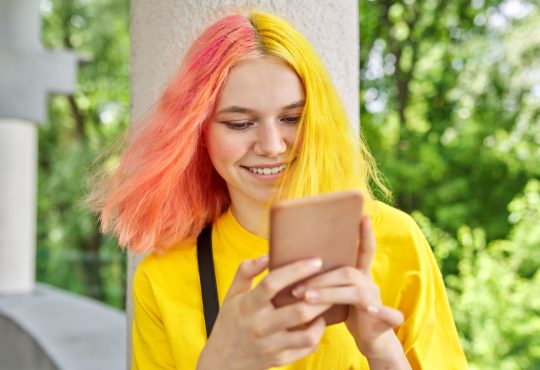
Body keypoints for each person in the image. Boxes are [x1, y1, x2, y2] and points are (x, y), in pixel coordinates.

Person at [90, 11, 468, 370]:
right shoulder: (164, 276)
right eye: (239, 123)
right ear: (198, 133)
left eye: (292, 118)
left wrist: (383, 353)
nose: (271, 145)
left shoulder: (394, 240)